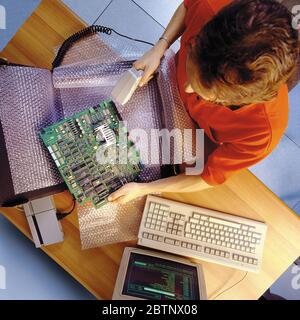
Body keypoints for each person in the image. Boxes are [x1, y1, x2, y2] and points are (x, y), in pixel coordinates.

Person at [108, 0, 299, 204]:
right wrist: (160, 46)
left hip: (197, 137)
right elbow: (187, 6)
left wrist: (143, 189)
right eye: (192, 63)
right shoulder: (212, 7)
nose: (188, 89)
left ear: (236, 101)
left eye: (204, 93)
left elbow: (208, 176)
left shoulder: (262, 131)